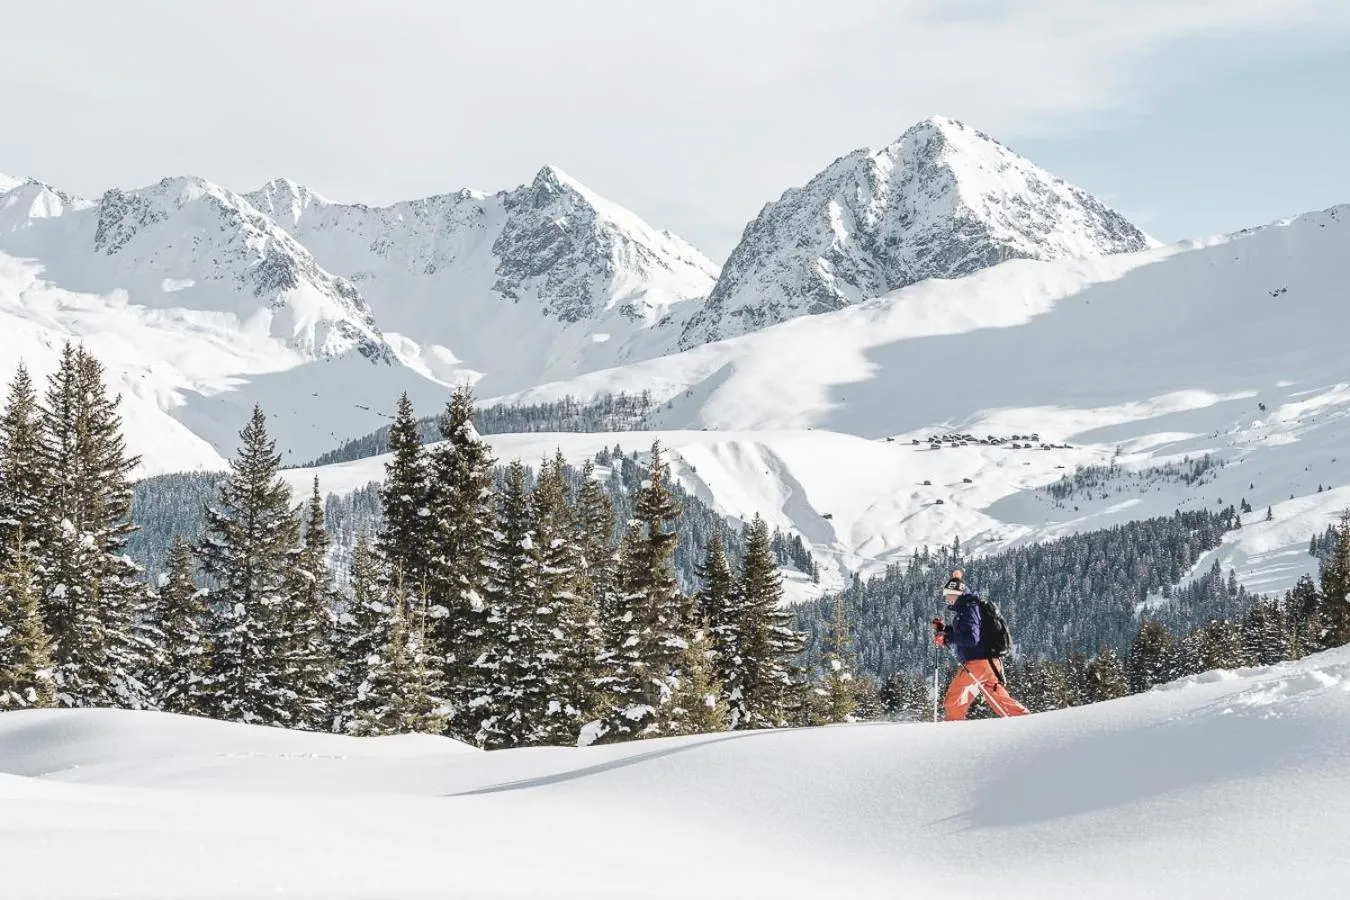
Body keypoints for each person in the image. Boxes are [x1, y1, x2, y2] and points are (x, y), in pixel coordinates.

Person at [931, 569, 1029, 720]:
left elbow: (971, 639)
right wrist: (944, 630)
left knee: (955, 697)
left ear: (958, 593)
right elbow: (969, 633)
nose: (947, 598)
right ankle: (1027, 721)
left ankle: (953, 731)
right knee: (999, 700)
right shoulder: (969, 607)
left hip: (978, 663)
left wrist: (947, 638)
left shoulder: (969, 609)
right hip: (991, 663)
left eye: (949, 594)